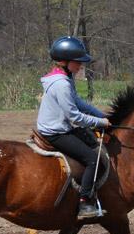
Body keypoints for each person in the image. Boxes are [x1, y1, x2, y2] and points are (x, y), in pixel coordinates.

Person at [36, 36, 111, 219]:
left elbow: (77, 102)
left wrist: (101, 115)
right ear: (65, 62)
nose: (80, 67)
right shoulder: (61, 84)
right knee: (93, 159)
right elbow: (74, 116)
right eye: (78, 63)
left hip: (59, 127)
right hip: (55, 132)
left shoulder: (63, 79)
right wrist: (100, 123)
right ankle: (85, 203)